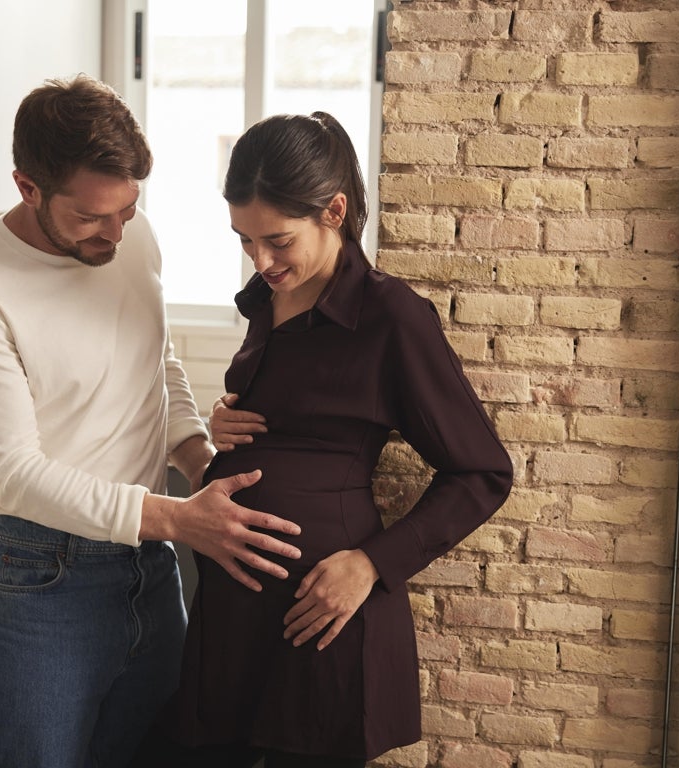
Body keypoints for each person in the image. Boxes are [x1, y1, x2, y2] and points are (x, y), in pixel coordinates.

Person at [0, 75, 306, 768]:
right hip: (40, 585)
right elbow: (16, 473)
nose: (115, 233)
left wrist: (196, 454)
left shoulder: (135, 239)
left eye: (129, 209)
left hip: (148, 575)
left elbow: (154, 365)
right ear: (27, 186)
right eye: (92, 217)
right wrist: (179, 519)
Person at [135, 112, 514, 767]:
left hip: (321, 617)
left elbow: (482, 473)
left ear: (334, 211)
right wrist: (232, 421)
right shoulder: (267, 300)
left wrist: (372, 564)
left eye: (277, 240)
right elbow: (305, 419)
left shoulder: (389, 317)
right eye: (245, 240)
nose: (261, 261)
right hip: (233, 622)